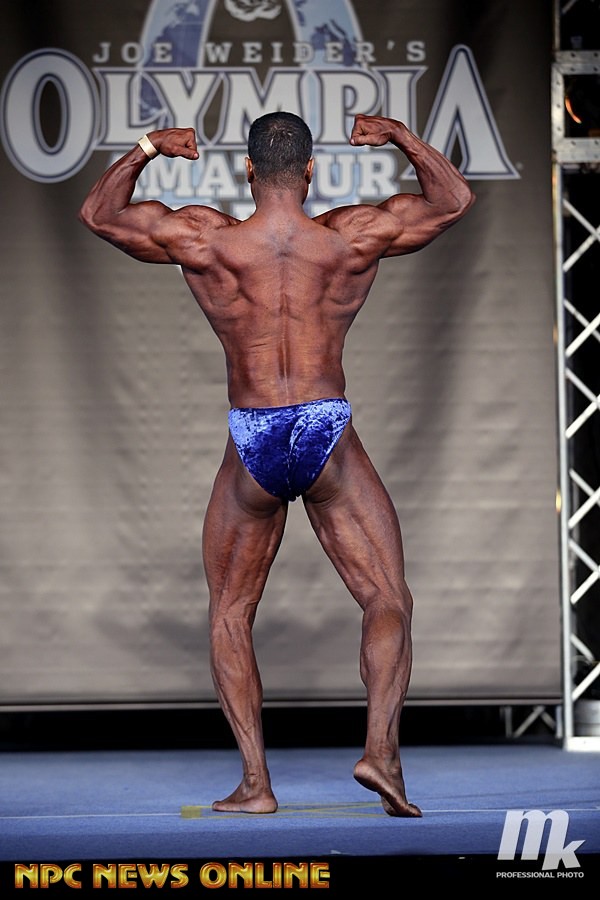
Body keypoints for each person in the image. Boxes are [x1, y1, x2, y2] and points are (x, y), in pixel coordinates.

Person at [79, 111, 475, 818]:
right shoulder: (351, 236)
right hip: (325, 427)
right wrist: (401, 138)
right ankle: (380, 753)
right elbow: (452, 201)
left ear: (248, 171)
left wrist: (148, 148)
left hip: (253, 433)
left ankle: (256, 785)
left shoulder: (207, 239)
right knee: (387, 598)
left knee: (231, 613)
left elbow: (99, 215)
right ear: (312, 171)